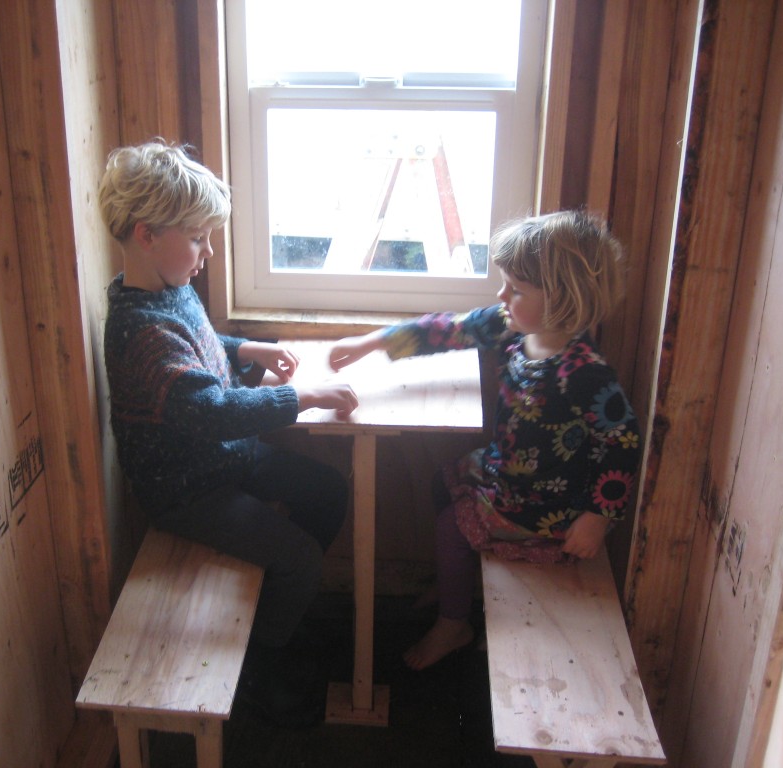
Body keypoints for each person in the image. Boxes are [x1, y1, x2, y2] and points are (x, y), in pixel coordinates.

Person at [99, 139, 359, 724]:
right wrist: (301, 397)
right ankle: (264, 665)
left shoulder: (170, 290)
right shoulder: (140, 332)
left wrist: (247, 347)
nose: (207, 251)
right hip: (188, 489)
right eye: (198, 238)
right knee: (298, 560)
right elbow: (211, 410)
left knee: (328, 489)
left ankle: (275, 607)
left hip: (226, 458)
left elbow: (204, 347)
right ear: (146, 235)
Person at [327, 210, 642, 671]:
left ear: (560, 297)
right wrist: (373, 342)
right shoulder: (516, 326)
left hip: (543, 504)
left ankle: (453, 622)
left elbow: (623, 441)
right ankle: (452, 575)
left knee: (454, 525)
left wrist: (598, 516)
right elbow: (450, 329)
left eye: (516, 288)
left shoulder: (584, 372)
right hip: (504, 469)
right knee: (442, 479)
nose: (502, 295)